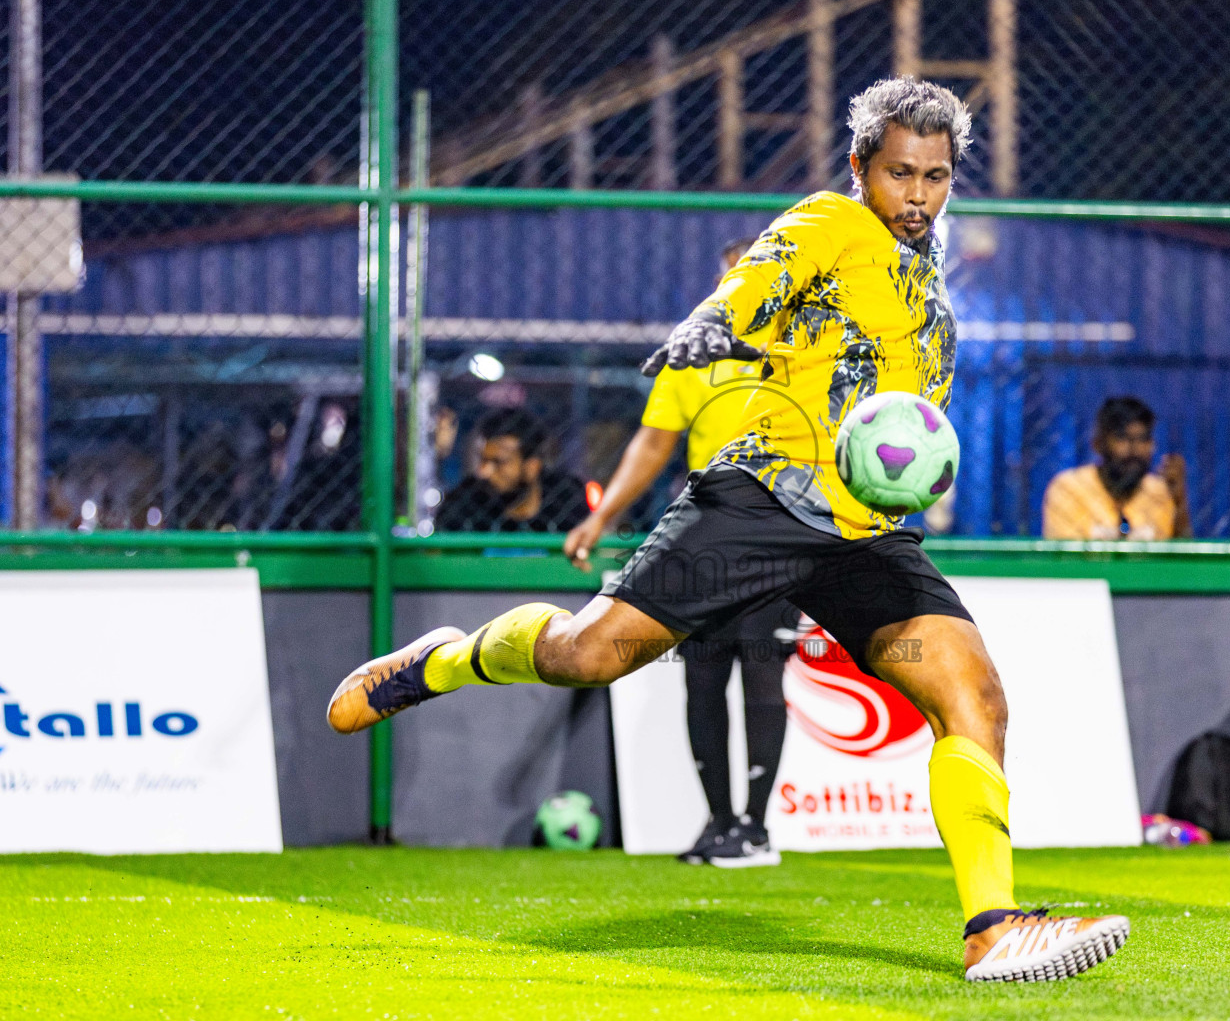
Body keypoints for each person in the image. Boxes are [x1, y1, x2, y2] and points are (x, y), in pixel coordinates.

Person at [327, 76, 1129, 983]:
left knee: (974, 700)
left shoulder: (926, 260)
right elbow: (758, 276)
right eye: (900, 173)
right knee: (588, 655)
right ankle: (447, 658)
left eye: (936, 176)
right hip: (759, 503)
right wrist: (710, 326)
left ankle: (992, 927)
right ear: (861, 166)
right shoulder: (830, 221)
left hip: (866, 531)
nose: (916, 194)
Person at [564, 237, 795, 868]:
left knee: (763, 671)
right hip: (712, 532)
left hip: (784, 529)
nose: (739, 295)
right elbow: (652, 442)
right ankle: (719, 822)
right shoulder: (694, 354)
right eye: (731, 282)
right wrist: (600, 518)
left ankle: (756, 826)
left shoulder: (805, 349)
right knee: (702, 675)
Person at [1042, 395, 1191, 540]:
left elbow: (1182, 560)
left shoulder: (1159, 492)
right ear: (1098, 444)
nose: (1135, 450)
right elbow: (1066, 561)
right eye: (1122, 438)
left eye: (1143, 439)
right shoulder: (1069, 489)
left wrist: (1179, 501)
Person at [434, 408, 588, 533]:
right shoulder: (464, 504)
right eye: (483, 460)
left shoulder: (567, 499)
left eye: (498, 462)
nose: (484, 472)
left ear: (532, 467)